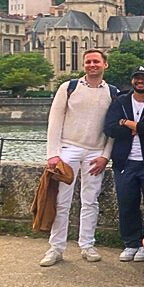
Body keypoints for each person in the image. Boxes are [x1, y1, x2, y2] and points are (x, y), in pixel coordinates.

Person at [39, 49, 115, 267]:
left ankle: (87, 245)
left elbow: (112, 129)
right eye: (88, 62)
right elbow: (55, 120)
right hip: (69, 149)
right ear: (84, 65)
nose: (92, 65)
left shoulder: (112, 92)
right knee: (62, 201)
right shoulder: (69, 87)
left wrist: (105, 156)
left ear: (104, 65)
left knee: (90, 201)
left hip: (95, 152)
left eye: (96, 62)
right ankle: (56, 248)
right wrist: (53, 154)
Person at [104, 65, 144, 263]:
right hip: (125, 163)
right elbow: (109, 128)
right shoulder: (121, 101)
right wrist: (129, 128)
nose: (141, 81)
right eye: (137, 78)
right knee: (127, 204)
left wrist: (129, 124)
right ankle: (130, 243)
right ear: (132, 80)